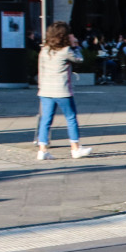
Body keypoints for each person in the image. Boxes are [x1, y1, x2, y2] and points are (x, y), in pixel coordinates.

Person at [35, 21, 92, 161]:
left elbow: (40, 71)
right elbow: (79, 59)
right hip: (62, 90)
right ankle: (75, 148)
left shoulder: (44, 50)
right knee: (71, 118)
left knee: (46, 120)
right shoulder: (66, 51)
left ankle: (42, 150)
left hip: (45, 90)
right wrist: (76, 45)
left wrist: (41, 87)